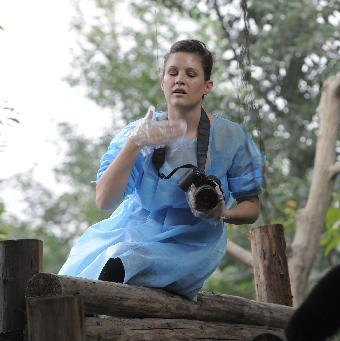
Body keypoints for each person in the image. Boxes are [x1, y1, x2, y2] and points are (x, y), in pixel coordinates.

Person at [58, 39, 264, 300]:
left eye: (191, 74)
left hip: (191, 241)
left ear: (207, 86)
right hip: (130, 228)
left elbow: (252, 207)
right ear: (162, 81)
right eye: (173, 73)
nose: (180, 80)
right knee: (72, 278)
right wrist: (135, 143)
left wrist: (222, 212)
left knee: (125, 261)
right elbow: (104, 200)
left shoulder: (232, 138)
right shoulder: (137, 131)